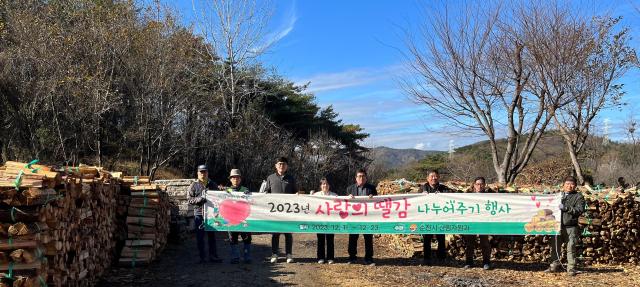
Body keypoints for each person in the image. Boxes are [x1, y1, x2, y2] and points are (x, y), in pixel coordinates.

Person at [545, 176, 585, 276]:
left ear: (575, 186)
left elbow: (579, 210)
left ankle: (571, 268)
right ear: (563, 185)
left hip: (570, 226)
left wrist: (566, 208)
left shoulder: (578, 197)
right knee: (555, 247)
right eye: (567, 184)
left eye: (572, 184)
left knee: (571, 247)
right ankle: (554, 266)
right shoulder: (558, 195)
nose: (569, 186)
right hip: (557, 225)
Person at [264, 157, 298, 263]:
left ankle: (289, 255)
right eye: (279, 164)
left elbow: (296, 193)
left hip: (288, 212)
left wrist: (298, 195)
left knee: (288, 234)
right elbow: (266, 193)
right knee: (275, 233)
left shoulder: (291, 178)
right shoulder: (270, 178)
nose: (281, 166)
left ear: (287, 166)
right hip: (275, 212)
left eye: (283, 164)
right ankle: (274, 254)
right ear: (276, 165)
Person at [187, 164, 222, 264]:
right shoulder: (193, 185)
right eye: (201, 172)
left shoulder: (213, 184)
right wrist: (199, 199)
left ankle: (213, 256)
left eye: (205, 172)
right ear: (198, 173)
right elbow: (189, 199)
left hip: (211, 215)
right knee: (200, 237)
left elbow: (219, 197)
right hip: (199, 213)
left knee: (212, 236)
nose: (203, 174)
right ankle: (202, 257)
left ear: (207, 173)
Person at [346, 168, 377, 266]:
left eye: (363, 176)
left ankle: (369, 258)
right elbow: (345, 203)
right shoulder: (350, 189)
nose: (361, 178)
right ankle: (352, 257)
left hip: (367, 218)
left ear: (366, 178)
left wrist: (374, 198)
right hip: (354, 218)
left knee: (368, 238)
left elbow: (377, 203)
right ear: (356, 178)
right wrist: (348, 197)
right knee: (353, 237)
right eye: (359, 176)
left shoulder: (371, 188)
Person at [463, 177, 492, 270]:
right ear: (474, 185)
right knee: (470, 243)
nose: (479, 186)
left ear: (484, 185)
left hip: (484, 222)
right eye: (477, 184)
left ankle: (486, 262)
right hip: (471, 222)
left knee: (485, 243)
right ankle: (469, 262)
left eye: (481, 184)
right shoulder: (468, 195)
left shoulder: (490, 196)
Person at [421, 169, 449, 265]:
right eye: (432, 176)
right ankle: (427, 258)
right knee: (427, 238)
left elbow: (451, 197)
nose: (434, 178)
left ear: (439, 177)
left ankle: (441, 258)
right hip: (426, 218)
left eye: (435, 176)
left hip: (440, 218)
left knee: (441, 238)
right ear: (427, 178)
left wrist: (443, 196)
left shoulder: (443, 188)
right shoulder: (422, 189)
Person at [225, 169, 252, 264]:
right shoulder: (226, 190)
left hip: (244, 218)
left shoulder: (246, 190)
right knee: (233, 238)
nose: (235, 179)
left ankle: (247, 257)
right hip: (231, 219)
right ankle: (235, 257)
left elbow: (252, 202)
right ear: (230, 179)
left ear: (240, 179)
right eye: (233, 177)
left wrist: (249, 195)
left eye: (237, 177)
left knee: (247, 238)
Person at [312, 178, 338, 264]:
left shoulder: (334, 195)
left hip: (331, 220)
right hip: (320, 220)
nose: (325, 186)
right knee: (320, 239)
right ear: (320, 186)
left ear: (329, 185)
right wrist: (310, 195)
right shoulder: (316, 195)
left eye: (326, 184)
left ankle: (330, 257)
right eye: (323, 184)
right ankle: (321, 257)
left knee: (330, 239)